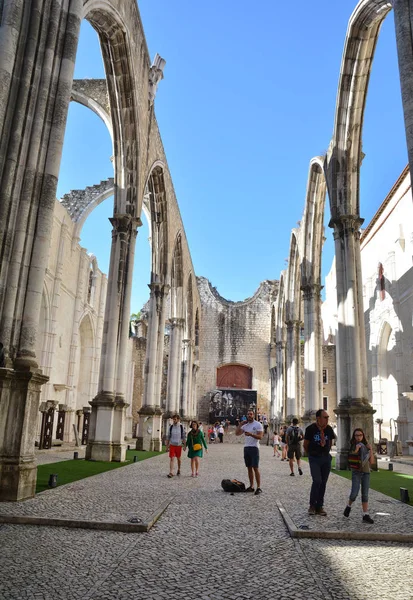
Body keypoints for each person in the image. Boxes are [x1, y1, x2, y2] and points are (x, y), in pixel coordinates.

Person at [304, 409, 336, 515]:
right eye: (325, 417)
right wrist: (311, 454)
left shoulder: (329, 429)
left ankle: (320, 506)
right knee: (317, 480)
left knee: (323, 482)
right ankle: (312, 505)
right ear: (318, 418)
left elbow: (330, 442)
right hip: (314, 458)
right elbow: (306, 444)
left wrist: (326, 452)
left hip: (325, 458)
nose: (327, 419)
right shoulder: (310, 429)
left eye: (327, 417)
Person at [343, 428, 375, 524]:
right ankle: (348, 506)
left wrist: (371, 450)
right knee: (354, 493)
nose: (358, 437)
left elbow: (372, 462)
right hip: (356, 472)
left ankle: (365, 514)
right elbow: (350, 459)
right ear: (354, 436)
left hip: (366, 472)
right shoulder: (352, 446)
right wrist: (356, 450)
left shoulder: (366, 446)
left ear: (363, 436)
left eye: (360, 435)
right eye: (356, 435)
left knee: (365, 494)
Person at [235, 409, 264, 495]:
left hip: (254, 448)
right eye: (248, 414)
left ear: (254, 415)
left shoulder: (258, 424)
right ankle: (251, 486)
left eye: (251, 414)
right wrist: (240, 424)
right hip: (246, 447)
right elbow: (237, 433)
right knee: (249, 468)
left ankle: (258, 487)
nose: (249, 416)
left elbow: (260, 437)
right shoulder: (245, 425)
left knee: (255, 467)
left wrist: (251, 434)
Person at [166, 414, 186, 478]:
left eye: (175, 419)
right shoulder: (171, 427)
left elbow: (183, 437)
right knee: (172, 458)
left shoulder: (181, 427)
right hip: (172, 445)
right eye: (173, 419)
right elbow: (168, 437)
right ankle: (171, 472)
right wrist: (167, 446)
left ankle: (179, 469)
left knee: (179, 459)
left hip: (179, 445)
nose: (174, 420)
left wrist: (184, 446)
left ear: (178, 419)